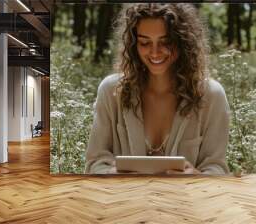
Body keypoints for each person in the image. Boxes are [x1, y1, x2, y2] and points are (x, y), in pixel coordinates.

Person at [85, 3, 230, 175]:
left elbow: (217, 168)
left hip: (185, 200)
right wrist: (114, 174)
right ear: (134, 44)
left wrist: (196, 177)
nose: (155, 52)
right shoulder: (111, 91)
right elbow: (94, 164)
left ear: (182, 41)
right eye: (145, 42)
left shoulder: (212, 95)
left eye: (165, 41)